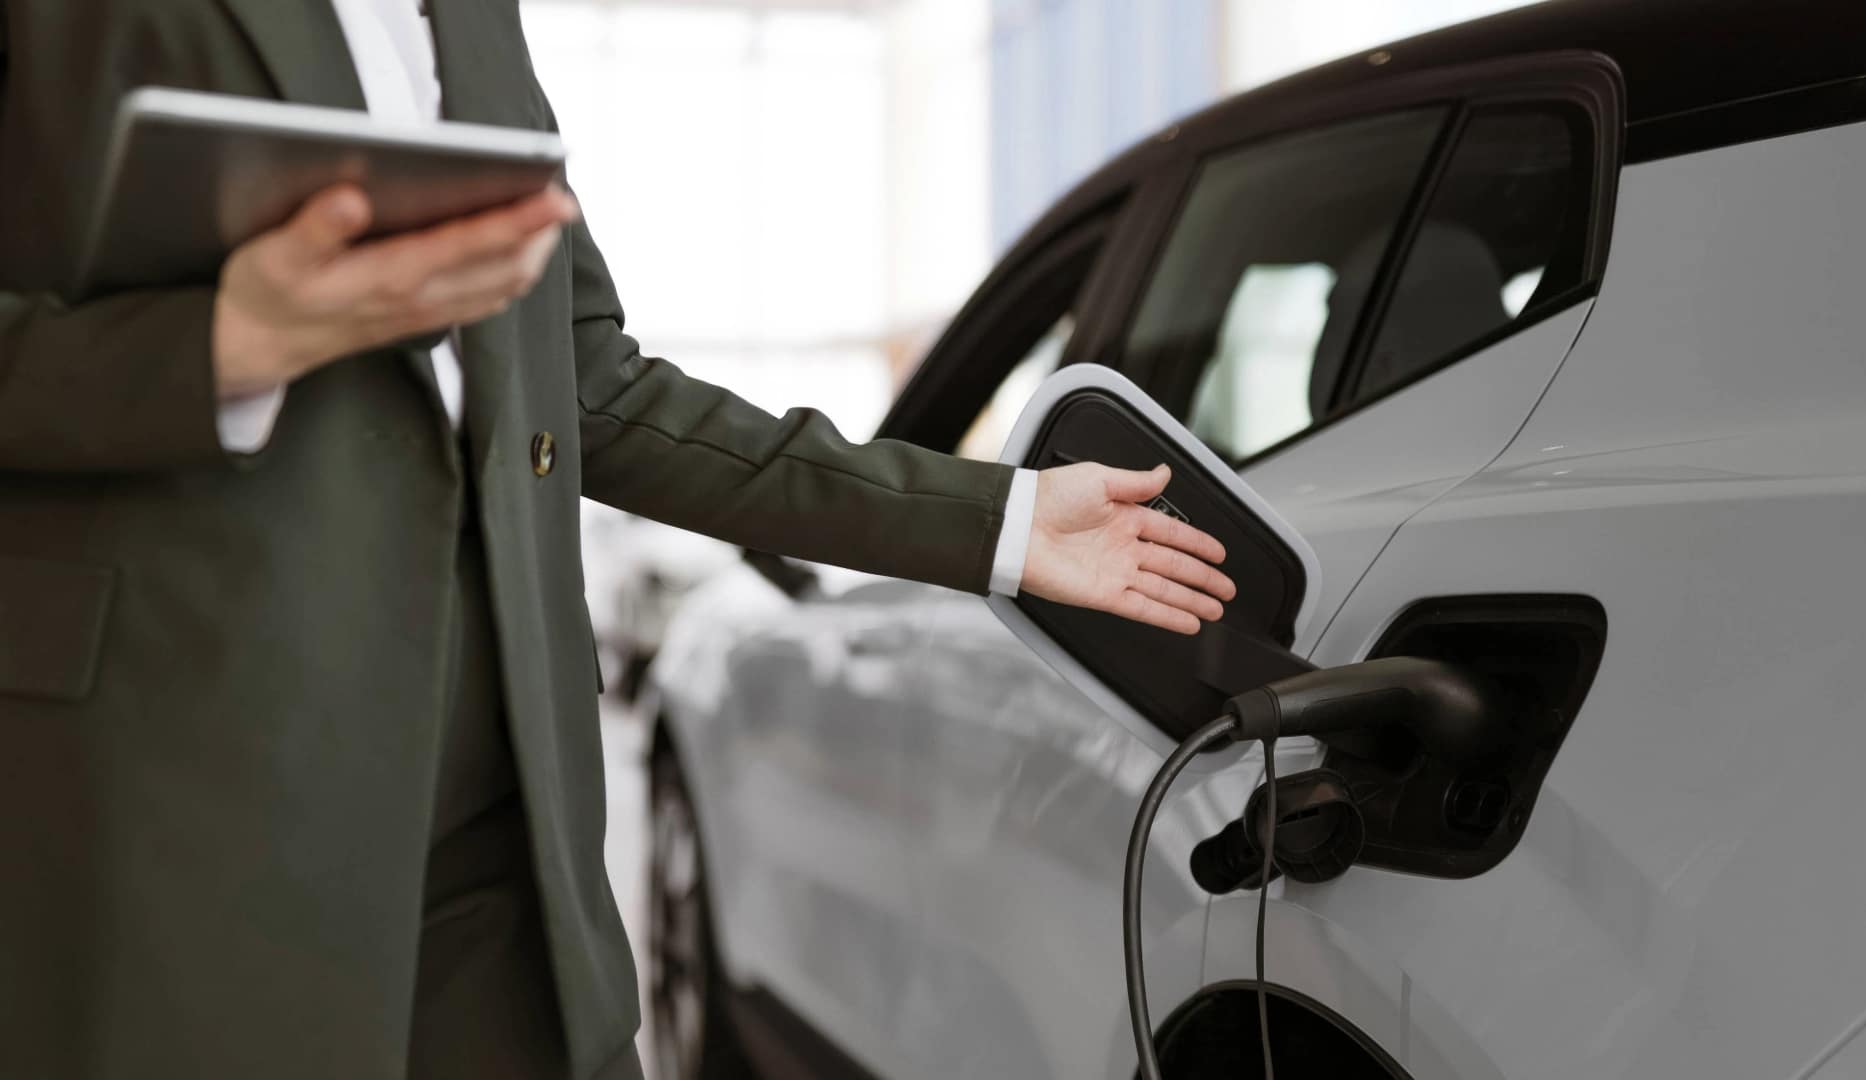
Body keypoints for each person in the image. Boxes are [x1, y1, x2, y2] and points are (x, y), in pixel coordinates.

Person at [0, 2, 1237, 1078]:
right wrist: (218, 345)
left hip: (508, 787)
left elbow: (591, 381)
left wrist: (1000, 517)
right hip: (187, 773)